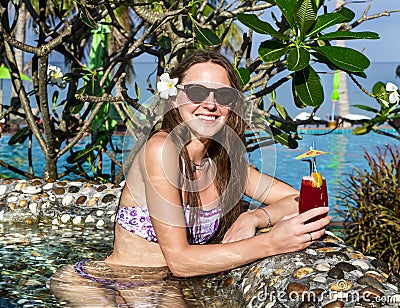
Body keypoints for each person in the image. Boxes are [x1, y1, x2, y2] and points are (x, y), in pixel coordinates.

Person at [50, 50, 330, 304]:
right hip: (101, 284)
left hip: (162, 287)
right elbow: (180, 261)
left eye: (222, 96)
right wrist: (270, 243)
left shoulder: (224, 165)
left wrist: (253, 217)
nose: (209, 104)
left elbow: (297, 199)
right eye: (196, 92)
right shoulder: (161, 149)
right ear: (174, 98)